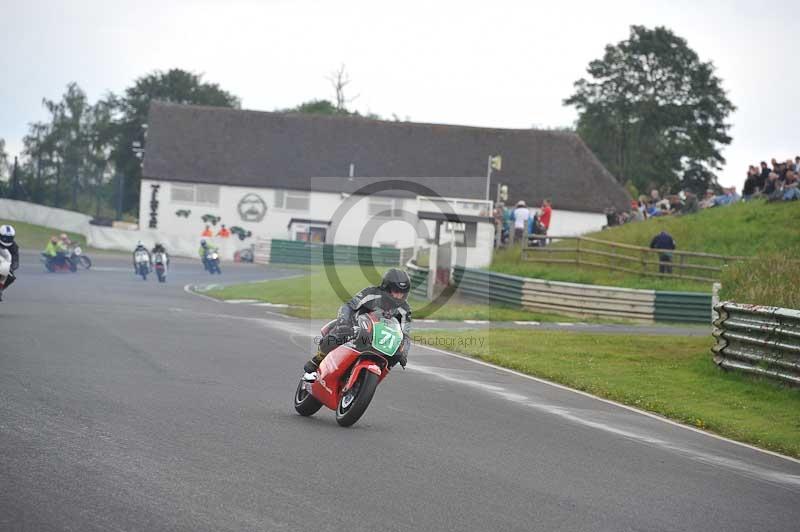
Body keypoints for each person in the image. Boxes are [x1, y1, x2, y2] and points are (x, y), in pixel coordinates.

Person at [302, 268, 412, 382]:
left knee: (397, 355)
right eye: (396, 291)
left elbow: (405, 333)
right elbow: (348, 306)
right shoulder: (371, 293)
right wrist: (344, 321)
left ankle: (373, 379)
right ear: (386, 287)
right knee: (340, 333)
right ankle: (316, 361)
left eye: (402, 293)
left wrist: (404, 352)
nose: (399, 296)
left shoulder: (405, 309)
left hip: (380, 338)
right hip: (357, 327)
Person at [0, 225, 20, 301]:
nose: (7, 240)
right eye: (5, 238)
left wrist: (11, 268)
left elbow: (16, 261)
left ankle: (0, 289)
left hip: (4, 264)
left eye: (10, 238)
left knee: (11, 277)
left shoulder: (14, 246)